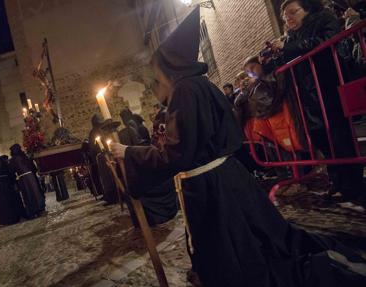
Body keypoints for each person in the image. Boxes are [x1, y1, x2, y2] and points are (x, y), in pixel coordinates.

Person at [110, 6, 366, 287]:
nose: (156, 81)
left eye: (158, 74)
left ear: (170, 67)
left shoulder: (185, 90)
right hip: (226, 179)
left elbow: (179, 153)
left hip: (213, 189)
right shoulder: (199, 85)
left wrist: (129, 153)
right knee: (253, 242)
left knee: (238, 261)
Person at [266, 0, 364, 203]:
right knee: (321, 136)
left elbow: (325, 42)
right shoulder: (291, 35)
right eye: (285, 16)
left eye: (293, 12)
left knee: (339, 134)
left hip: (329, 84)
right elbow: (286, 60)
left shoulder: (323, 18)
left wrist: (288, 46)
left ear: (307, 9)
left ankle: (352, 184)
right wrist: (274, 57)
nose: (289, 18)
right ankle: (337, 182)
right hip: (307, 93)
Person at [9, 144, 45, 219]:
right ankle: (39, 209)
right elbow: (32, 166)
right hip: (31, 176)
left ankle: (32, 211)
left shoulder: (12, 160)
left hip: (23, 179)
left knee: (27, 195)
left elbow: (12, 170)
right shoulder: (25, 156)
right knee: (35, 193)